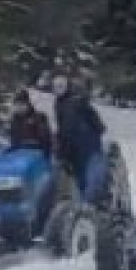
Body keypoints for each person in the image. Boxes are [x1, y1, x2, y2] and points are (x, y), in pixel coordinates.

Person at [52, 74, 107, 203]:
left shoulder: (77, 101)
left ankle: (91, 201)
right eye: (56, 87)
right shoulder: (58, 103)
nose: (58, 89)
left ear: (67, 86)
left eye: (61, 86)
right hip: (70, 144)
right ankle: (82, 200)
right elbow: (61, 124)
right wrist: (61, 142)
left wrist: (98, 129)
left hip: (85, 142)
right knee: (77, 173)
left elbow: (92, 116)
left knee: (90, 172)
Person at [8, 89, 52, 155]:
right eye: (17, 105)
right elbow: (14, 139)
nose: (19, 107)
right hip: (19, 154)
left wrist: (44, 152)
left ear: (28, 104)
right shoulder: (15, 119)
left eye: (22, 104)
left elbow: (45, 139)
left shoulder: (38, 117)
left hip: (35, 153)